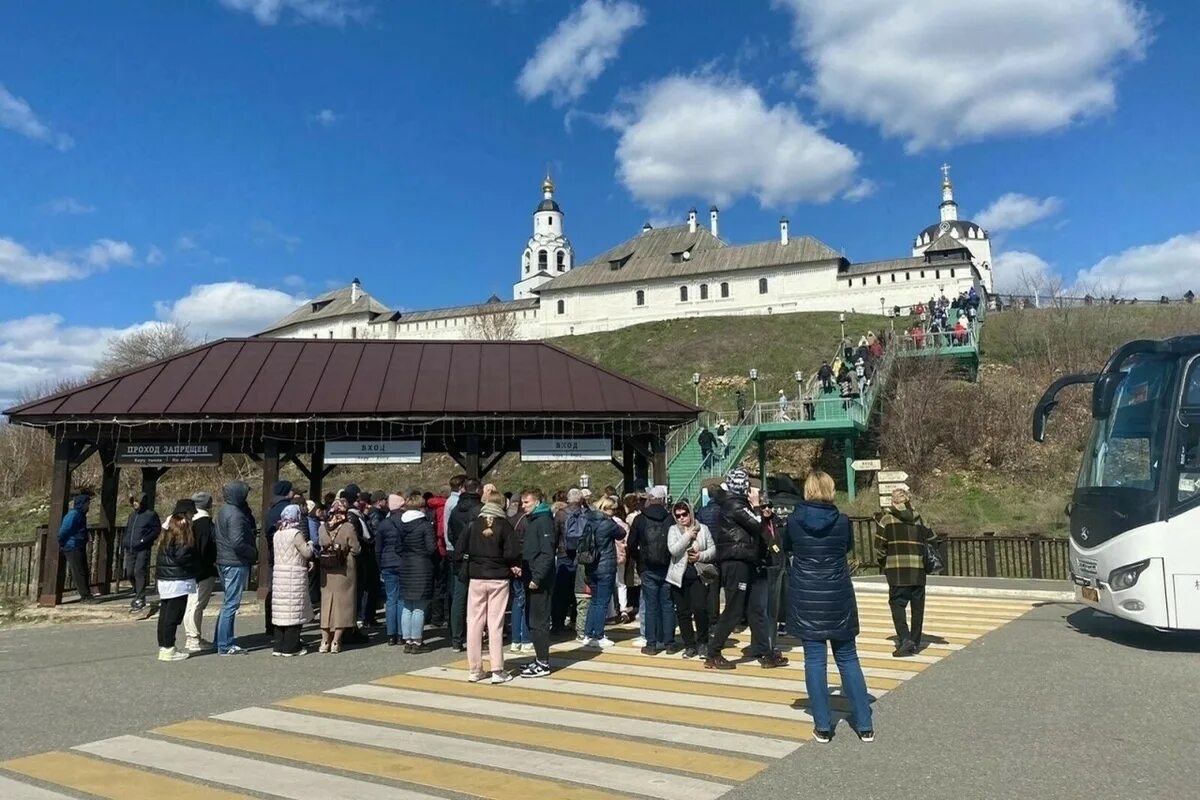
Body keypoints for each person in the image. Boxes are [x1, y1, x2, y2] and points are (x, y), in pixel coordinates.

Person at [784, 470, 874, 742]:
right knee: (848, 658)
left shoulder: (793, 521)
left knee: (814, 660)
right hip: (837, 594)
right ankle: (864, 723)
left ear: (808, 490)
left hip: (807, 594)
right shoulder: (842, 521)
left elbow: (786, 547)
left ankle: (823, 725)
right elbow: (846, 548)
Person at [706, 469, 780, 670]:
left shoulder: (734, 503)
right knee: (734, 609)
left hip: (747, 560)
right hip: (736, 560)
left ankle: (765, 652)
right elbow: (757, 525)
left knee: (754, 608)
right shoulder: (734, 504)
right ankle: (713, 652)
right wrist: (756, 506)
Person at [465, 490, 522, 684]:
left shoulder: (473, 525)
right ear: (502, 505)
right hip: (498, 577)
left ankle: (475, 669)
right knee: (495, 624)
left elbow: (459, 550)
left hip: (476, 577)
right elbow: (513, 551)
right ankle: (497, 669)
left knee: (474, 623)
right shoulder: (505, 525)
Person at [874, 489, 934, 657]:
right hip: (918, 570)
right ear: (909, 501)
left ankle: (904, 638)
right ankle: (915, 642)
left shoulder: (886, 520)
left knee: (897, 605)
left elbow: (879, 547)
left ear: (893, 502)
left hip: (897, 571)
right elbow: (932, 539)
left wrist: (884, 563)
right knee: (918, 607)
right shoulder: (920, 519)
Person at [628, 486, 677, 655]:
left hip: (647, 567)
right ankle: (669, 643)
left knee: (650, 606)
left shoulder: (640, 519)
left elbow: (631, 544)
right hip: (667, 566)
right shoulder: (670, 519)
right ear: (663, 500)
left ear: (650, 498)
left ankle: (651, 644)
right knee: (667, 604)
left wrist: (639, 560)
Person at [666, 501, 716, 659]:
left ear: (690, 513)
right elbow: (673, 550)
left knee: (700, 609)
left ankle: (703, 642)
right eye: (678, 515)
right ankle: (689, 645)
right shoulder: (673, 530)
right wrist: (687, 535)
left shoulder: (703, 529)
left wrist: (701, 556)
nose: (682, 518)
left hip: (698, 574)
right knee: (682, 612)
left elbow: (713, 549)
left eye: (684, 514)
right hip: (679, 575)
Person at [214, 481, 256, 655]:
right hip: (235, 562)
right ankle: (225, 644)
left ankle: (220, 640)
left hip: (224, 560)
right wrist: (253, 552)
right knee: (231, 604)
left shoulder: (223, 511)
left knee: (227, 603)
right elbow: (237, 542)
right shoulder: (236, 515)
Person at [518, 488, 556, 678]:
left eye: (527, 502)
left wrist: (537, 577)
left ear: (538, 502)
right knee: (531, 619)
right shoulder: (533, 520)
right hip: (530, 575)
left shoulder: (544, 521)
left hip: (539, 579)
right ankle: (539, 657)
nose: (523, 506)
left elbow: (547, 553)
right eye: (522, 502)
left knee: (538, 621)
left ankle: (543, 662)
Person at [155, 499, 198, 662]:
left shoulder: (167, 525)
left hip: (165, 577)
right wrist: (194, 561)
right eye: (191, 513)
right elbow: (182, 554)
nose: (192, 517)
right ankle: (169, 648)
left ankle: (164, 647)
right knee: (173, 615)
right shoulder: (182, 527)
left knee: (165, 614)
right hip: (178, 578)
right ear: (186, 513)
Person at [580, 495, 625, 647]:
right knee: (603, 603)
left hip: (590, 565)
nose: (614, 511)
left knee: (594, 601)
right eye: (613, 509)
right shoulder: (608, 523)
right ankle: (599, 635)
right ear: (605, 509)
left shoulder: (589, 520)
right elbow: (621, 533)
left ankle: (587, 634)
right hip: (605, 566)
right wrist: (612, 520)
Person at [319, 499, 361, 653]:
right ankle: (336, 642)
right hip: (345, 567)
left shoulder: (322, 527)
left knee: (326, 603)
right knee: (343, 603)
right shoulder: (348, 526)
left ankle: (324, 641)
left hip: (326, 569)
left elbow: (320, 544)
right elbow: (356, 548)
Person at [271, 504, 314, 657]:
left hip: (279, 575)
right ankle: (291, 647)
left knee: (281, 611)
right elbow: (306, 552)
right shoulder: (296, 533)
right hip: (293, 574)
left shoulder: (278, 533)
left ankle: (278, 646)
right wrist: (311, 544)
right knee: (294, 610)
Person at [397, 492, 437, 652]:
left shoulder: (400, 524)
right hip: (422, 566)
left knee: (407, 606)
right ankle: (417, 641)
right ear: (421, 507)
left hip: (405, 565)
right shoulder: (424, 525)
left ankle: (407, 640)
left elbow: (397, 547)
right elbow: (431, 548)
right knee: (419, 606)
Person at [448, 478, 483, 651]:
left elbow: (450, 534)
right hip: (480, 559)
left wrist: (459, 549)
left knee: (459, 599)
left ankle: (456, 639)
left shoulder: (455, 510)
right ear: (478, 490)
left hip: (460, 558)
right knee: (479, 600)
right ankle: (477, 636)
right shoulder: (480, 510)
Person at [184, 491, 218, 652]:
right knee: (197, 605)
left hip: (189, 569)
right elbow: (206, 549)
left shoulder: (188, 522)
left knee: (190, 605)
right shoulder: (205, 524)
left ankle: (191, 636)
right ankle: (194, 638)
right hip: (203, 570)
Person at [552, 488, 587, 634]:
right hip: (581, 555)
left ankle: (558, 624)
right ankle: (575, 620)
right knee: (578, 590)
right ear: (581, 500)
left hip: (563, 554)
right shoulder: (586, 514)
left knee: (560, 591)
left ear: (568, 499)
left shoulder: (560, 514)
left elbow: (554, 536)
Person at [262, 479, 294, 638]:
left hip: (273, 552)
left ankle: (270, 624)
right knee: (283, 590)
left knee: (273, 589)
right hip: (285, 554)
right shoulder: (286, 509)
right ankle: (281, 627)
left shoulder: (271, 508)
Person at [374, 493, 407, 646]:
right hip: (403, 562)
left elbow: (378, 548)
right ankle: (401, 633)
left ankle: (391, 635)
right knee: (401, 599)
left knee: (391, 599)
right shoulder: (406, 521)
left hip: (387, 563)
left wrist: (380, 565)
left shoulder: (383, 524)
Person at [123, 493, 161, 612]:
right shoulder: (132, 515)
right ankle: (137, 590)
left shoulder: (151, 515)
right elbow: (128, 529)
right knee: (129, 572)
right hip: (130, 548)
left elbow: (156, 530)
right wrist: (125, 541)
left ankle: (140, 597)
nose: (134, 503)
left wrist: (145, 540)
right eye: (133, 501)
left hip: (143, 548)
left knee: (139, 571)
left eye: (137, 501)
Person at [58, 493, 94, 603]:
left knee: (83, 570)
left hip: (79, 545)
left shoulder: (80, 514)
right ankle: (85, 596)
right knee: (79, 571)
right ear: (82, 504)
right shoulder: (73, 515)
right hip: (72, 546)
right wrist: (62, 542)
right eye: (87, 504)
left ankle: (86, 594)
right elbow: (64, 530)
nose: (88, 506)